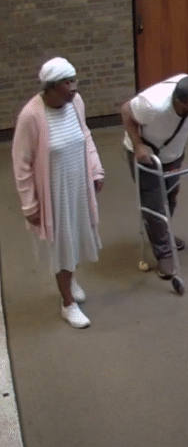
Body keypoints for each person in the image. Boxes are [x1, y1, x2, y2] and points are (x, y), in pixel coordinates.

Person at [12, 57, 104, 329]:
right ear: (51, 87)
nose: (74, 87)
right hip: (54, 193)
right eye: (67, 82)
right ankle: (68, 304)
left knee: (75, 237)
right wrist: (29, 205)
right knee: (62, 244)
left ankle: (70, 280)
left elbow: (85, 135)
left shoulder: (76, 103)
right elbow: (21, 164)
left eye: (74, 80)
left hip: (78, 186)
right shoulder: (31, 115)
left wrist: (95, 169)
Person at [121, 75, 188, 279]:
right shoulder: (151, 105)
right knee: (154, 203)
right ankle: (164, 253)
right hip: (147, 154)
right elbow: (126, 110)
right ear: (179, 102)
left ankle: (162, 234)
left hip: (173, 153)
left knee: (170, 196)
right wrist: (138, 145)